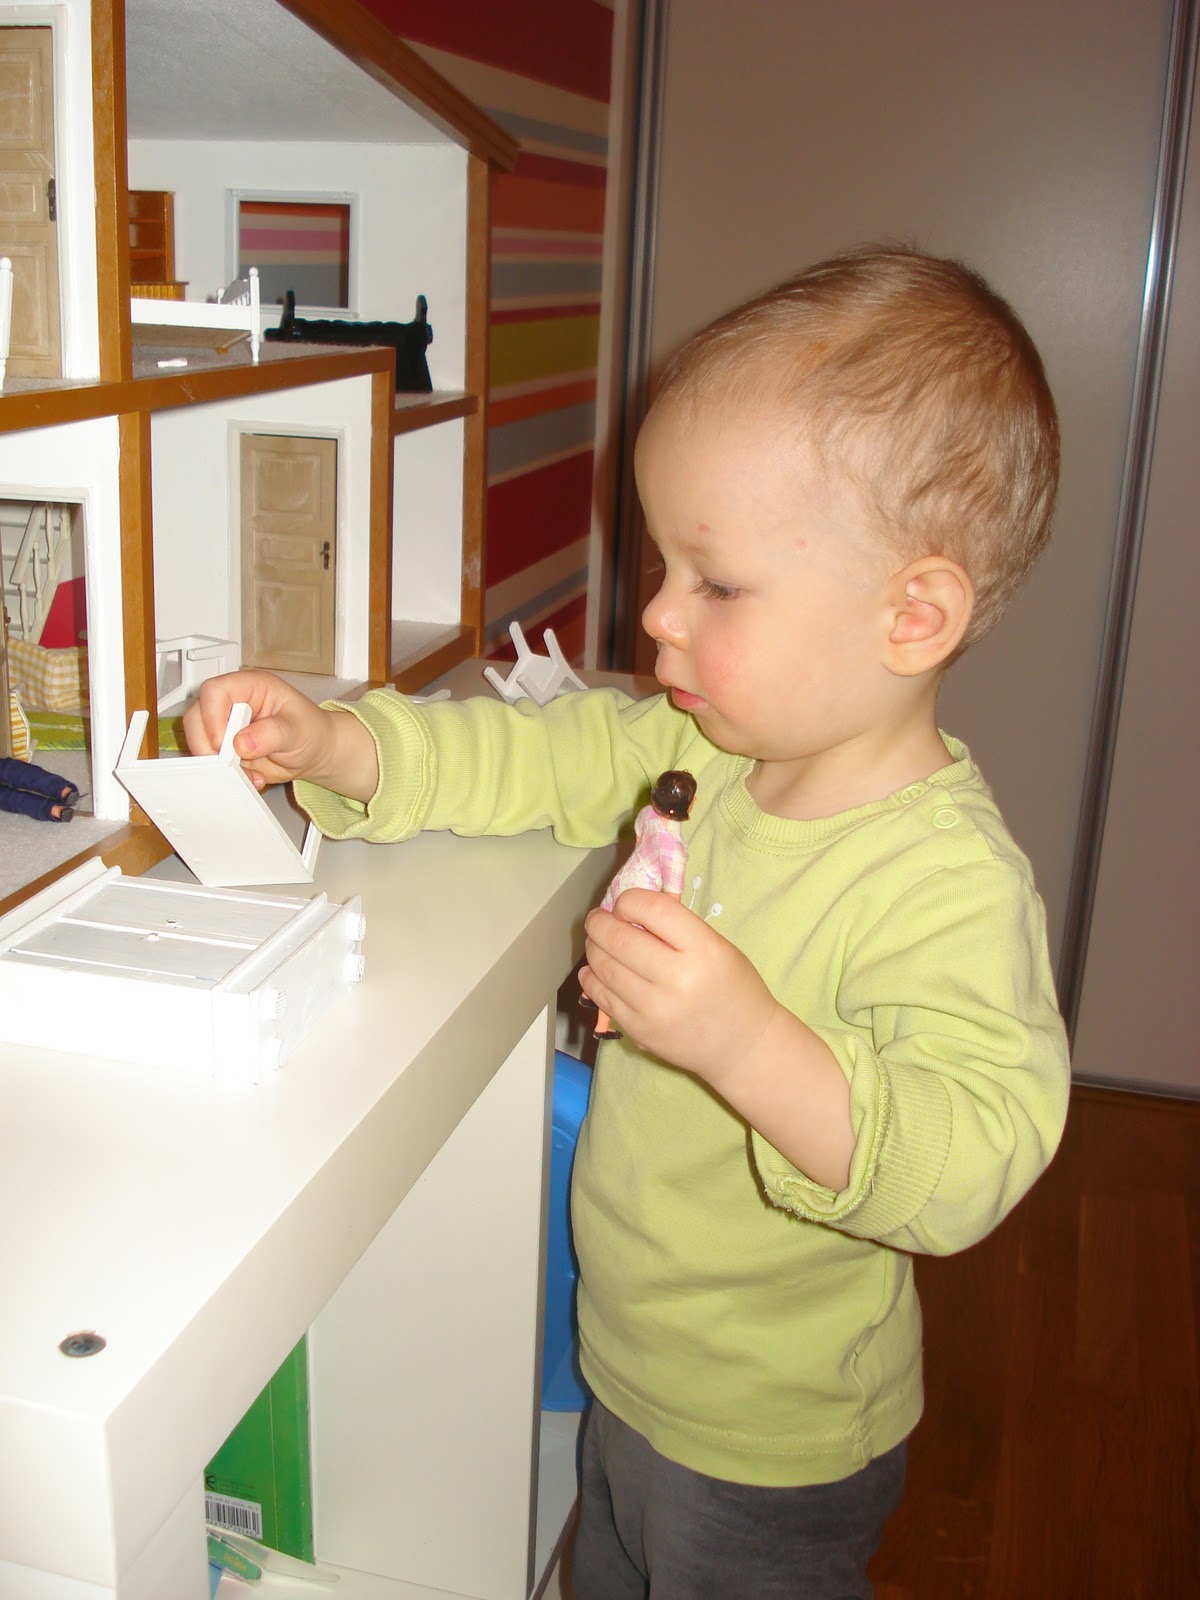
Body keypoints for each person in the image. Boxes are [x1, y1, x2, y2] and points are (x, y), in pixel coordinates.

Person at [185, 244, 1071, 1599]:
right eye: (665, 566)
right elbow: (534, 757)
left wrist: (748, 1042)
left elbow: (972, 1160)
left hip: (772, 1444)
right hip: (631, 1364)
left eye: (716, 584)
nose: (654, 611)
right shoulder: (706, 746)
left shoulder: (941, 879)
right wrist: (344, 745)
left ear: (914, 615)